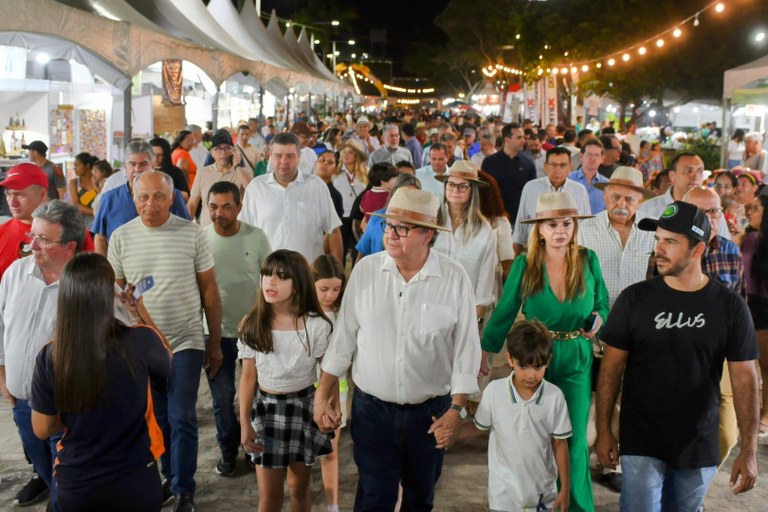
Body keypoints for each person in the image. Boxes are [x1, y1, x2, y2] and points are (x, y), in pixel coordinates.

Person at [314, 188, 481, 511]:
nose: (390, 234)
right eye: (388, 225)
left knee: (420, 498)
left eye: (401, 228)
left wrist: (457, 410)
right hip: (372, 411)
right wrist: (324, 393)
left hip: (430, 414)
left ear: (428, 235)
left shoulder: (454, 278)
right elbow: (343, 340)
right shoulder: (365, 272)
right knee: (374, 496)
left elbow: (466, 350)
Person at [596, 201, 759, 511]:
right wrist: (604, 430)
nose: (659, 248)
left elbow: (745, 381)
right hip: (640, 438)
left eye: (670, 241)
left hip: (698, 443)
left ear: (697, 249)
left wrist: (749, 449)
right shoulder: (634, 299)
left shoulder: (730, 307)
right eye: (658, 239)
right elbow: (610, 370)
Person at [482, 191, 609, 512]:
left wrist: (599, 318)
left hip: (577, 357)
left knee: (575, 441)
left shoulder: (587, 259)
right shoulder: (526, 263)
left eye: (567, 223)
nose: (560, 230)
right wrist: (484, 351)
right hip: (535, 358)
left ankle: (577, 506)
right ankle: (539, 503)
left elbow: (602, 303)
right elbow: (505, 311)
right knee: (537, 440)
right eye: (552, 224)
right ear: (539, 229)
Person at [108, 171, 223, 512]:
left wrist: (213, 341)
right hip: (143, 344)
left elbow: (210, 291)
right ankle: (170, 478)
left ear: (172, 198)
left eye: (158, 196)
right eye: (142, 197)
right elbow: (114, 293)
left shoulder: (191, 234)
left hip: (186, 339)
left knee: (183, 415)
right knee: (158, 418)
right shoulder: (121, 237)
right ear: (133, 198)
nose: (150, 204)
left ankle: (185, 489)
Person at [28, 253, 171, 512]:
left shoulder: (51, 355)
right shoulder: (140, 340)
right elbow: (167, 361)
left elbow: (42, 428)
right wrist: (138, 314)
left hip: (78, 482)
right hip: (136, 478)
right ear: (110, 294)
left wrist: (74, 410)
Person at [0, 200, 92, 511]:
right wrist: (3, 376)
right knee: (45, 469)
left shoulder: (87, 285)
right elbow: (1, 326)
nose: (32, 244)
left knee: (65, 482)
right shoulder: (15, 273)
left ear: (70, 246)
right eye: (32, 235)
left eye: (43, 239)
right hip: (22, 402)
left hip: (68, 409)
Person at [238, 250, 333, 512]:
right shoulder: (253, 324)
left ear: (299, 283)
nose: (270, 281)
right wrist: (245, 422)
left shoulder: (316, 326)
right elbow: (247, 377)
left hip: (303, 410)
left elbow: (329, 373)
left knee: (299, 488)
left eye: (281, 277)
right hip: (266, 413)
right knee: (269, 497)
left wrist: (328, 405)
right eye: (267, 274)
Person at [448, 320, 571, 512]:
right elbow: (479, 426)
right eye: (523, 366)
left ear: (548, 361)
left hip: (542, 494)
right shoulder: (494, 392)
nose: (530, 375)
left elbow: (559, 443)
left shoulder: (554, 397)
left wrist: (565, 489)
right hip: (503, 495)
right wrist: (452, 434)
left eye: (538, 367)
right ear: (510, 359)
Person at [204, 181, 271, 476]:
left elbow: (270, 281)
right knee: (221, 400)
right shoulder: (201, 240)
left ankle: (254, 448)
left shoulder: (256, 237)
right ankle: (228, 450)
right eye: (213, 207)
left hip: (253, 333)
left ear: (239, 208)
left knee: (257, 397)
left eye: (226, 206)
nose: (219, 213)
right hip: (214, 333)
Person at [240, 133, 343, 264]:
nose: (284, 161)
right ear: (270, 157)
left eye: (290, 156)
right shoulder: (256, 188)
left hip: (308, 276)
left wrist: (337, 272)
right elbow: (245, 234)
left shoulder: (317, 186)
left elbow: (333, 231)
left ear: (299, 157)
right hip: (268, 277)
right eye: (278, 156)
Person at [92, 140, 189, 256]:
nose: (137, 169)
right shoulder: (109, 199)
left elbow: (186, 233)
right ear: (126, 167)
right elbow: (100, 239)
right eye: (132, 164)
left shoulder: (172, 196)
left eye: (143, 164)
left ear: (153, 166)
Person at [579, 166, 657, 305]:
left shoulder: (654, 230)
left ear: (639, 202)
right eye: (615, 197)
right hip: (597, 315)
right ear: (605, 196)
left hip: (639, 313)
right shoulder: (584, 229)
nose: (621, 204)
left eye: (629, 199)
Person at [434, 160, 498, 320]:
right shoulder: (432, 221)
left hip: (465, 308)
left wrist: (476, 314)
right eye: (451, 184)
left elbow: (485, 276)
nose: (455, 190)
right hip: (430, 303)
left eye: (463, 186)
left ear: (472, 191)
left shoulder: (483, 230)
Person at [311, 255, 348, 512]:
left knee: (329, 452)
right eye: (324, 289)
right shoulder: (301, 313)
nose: (330, 295)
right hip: (303, 390)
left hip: (338, 390)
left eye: (336, 289)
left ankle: (332, 505)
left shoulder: (344, 314)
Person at [513, 147, 591, 256]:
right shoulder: (531, 187)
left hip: (569, 256)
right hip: (536, 254)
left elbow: (586, 228)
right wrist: (514, 260)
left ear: (570, 167)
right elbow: (520, 229)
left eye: (563, 165)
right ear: (545, 166)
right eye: (553, 165)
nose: (558, 170)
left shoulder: (579, 190)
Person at [741, 194, 768, 436]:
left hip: (766, 306)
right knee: (750, 362)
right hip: (748, 301)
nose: (751, 212)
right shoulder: (749, 237)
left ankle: (766, 414)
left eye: (756, 208)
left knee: (766, 366)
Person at [186, 129, 251, 227]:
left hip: (234, 232)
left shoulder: (242, 173)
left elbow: (253, 190)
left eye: (227, 148)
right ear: (212, 153)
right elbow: (192, 204)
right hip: (207, 233)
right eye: (218, 148)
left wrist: (237, 165)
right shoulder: (203, 173)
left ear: (233, 151)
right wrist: (184, 227)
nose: (223, 152)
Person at [0, 163, 53, 278]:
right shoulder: (1, 233)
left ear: (42, 194)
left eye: (19, 195)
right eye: (8, 195)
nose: (12, 202)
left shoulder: (71, 231)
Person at [481, 122, 537, 231]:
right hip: (495, 220)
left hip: (520, 221)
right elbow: (483, 192)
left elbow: (532, 194)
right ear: (507, 139)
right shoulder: (489, 162)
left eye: (523, 137)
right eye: (519, 137)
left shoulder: (528, 164)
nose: (523, 141)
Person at [354, 173, 421, 259]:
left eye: (412, 195)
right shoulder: (377, 217)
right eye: (402, 194)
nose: (406, 198)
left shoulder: (421, 223)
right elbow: (363, 250)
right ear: (394, 194)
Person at [333, 139, 368, 264]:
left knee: (357, 253)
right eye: (344, 152)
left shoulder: (366, 174)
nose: (346, 155)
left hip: (358, 218)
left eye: (350, 152)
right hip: (340, 218)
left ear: (356, 155)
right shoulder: (335, 173)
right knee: (339, 254)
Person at [569, 139, 610, 215]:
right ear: (581, 156)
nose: (592, 158)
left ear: (602, 159)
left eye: (596, 155)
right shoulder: (568, 180)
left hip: (598, 226)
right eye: (589, 154)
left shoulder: (607, 184)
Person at [149, 137, 191, 202]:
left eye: (160, 155)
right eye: (153, 154)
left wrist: (167, 192)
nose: (156, 158)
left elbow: (186, 195)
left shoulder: (176, 171)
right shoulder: (144, 170)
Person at [67, 152, 98, 229]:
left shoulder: (98, 181)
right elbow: (76, 205)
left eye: (77, 165)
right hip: (81, 225)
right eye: (74, 166)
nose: (74, 168)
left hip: (98, 223)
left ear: (87, 166)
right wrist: (95, 212)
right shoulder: (74, 183)